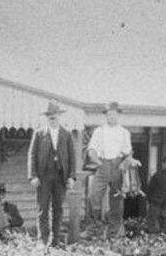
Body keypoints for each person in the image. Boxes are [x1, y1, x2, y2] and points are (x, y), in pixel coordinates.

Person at [28, 102, 76, 246]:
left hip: (60, 176)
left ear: (59, 116)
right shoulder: (39, 133)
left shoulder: (66, 134)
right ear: (46, 118)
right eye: (49, 116)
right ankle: (42, 240)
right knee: (42, 209)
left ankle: (55, 240)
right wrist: (33, 175)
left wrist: (71, 177)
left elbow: (72, 157)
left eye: (54, 115)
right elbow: (32, 155)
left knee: (58, 209)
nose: (52, 118)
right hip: (43, 177)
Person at [85, 102, 134, 239]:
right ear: (106, 116)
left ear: (119, 115)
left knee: (117, 200)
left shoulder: (124, 132)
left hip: (118, 165)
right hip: (103, 164)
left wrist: (125, 163)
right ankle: (93, 229)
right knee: (93, 196)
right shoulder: (99, 131)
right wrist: (97, 161)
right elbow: (92, 150)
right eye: (109, 114)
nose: (112, 117)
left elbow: (128, 153)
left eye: (114, 114)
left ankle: (113, 232)